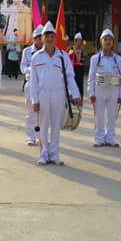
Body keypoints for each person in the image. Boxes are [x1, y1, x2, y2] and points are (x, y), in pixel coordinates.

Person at [30, 22, 82, 166]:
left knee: (56, 125)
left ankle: (54, 154)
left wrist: (76, 95)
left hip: (59, 94)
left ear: (55, 38)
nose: (49, 39)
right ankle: (43, 154)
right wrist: (35, 100)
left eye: (52, 36)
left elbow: (70, 77)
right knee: (44, 125)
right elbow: (33, 82)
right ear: (42, 38)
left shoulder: (63, 56)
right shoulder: (36, 57)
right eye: (47, 36)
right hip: (43, 94)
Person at [88, 29, 121, 148]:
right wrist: (91, 93)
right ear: (101, 42)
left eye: (110, 39)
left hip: (113, 91)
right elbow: (91, 77)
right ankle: (99, 138)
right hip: (99, 91)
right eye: (105, 39)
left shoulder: (118, 59)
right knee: (99, 115)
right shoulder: (95, 59)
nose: (108, 42)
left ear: (113, 42)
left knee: (112, 115)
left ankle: (110, 138)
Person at [20, 25, 44, 146]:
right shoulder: (27, 51)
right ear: (34, 39)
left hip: (43, 85)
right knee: (30, 112)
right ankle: (30, 136)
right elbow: (22, 68)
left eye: (42, 38)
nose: (40, 41)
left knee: (43, 113)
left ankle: (41, 136)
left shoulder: (46, 52)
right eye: (38, 38)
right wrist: (32, 69)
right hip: (30, 84)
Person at [69, 33, 86, 99]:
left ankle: (80, 96)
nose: (80, 42)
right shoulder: (71, 49)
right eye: (78, 41)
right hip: (74, 68)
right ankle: (73, 96)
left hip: (80, 68)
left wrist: (81, 59)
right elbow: (69, 57)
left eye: (80, 41)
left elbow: (84, 58)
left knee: (80, 82)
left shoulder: (83, 49)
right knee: (74, 82)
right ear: (75, 41)